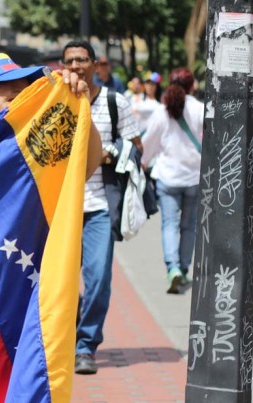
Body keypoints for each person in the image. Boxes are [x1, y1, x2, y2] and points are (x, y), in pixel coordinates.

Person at [62, 40, 141, 375]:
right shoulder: (54, 102)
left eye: (83, 59)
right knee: (60, 281)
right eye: (70, 60)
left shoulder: (114, 102)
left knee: (97, 279)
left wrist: (106, 152)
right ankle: (73, 326)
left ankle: (86, 346)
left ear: (95, 65)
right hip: (60, 208)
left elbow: (136, 147)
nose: (77, 65)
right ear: (62, 66)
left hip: (99, 206)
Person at [0, 53, 101, 177]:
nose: (26, 104)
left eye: (28, 96)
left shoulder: (33, 154)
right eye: (14, 98)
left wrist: (81, 104)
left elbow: (83, 169)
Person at [140, 68, 203, 295]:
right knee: (189, 226)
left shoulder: (162, 110)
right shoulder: (200, 109)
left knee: (169, 224)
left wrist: (142, 165)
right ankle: (184, 269)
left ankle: (173, 268)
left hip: (168, 177)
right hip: (195, 177)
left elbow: (148, 144)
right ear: (192, 85)